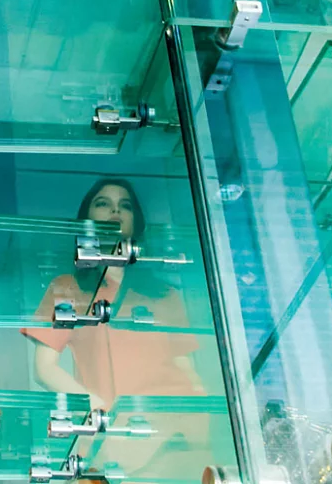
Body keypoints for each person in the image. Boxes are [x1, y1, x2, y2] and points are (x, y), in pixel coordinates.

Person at [20, 179, 210, 479]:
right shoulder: (67, 288)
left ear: (136, 222)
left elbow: (185, 367)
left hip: (174, 433)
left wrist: (202, 421)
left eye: (125, 205)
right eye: (103, 203)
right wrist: (98, 408)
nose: (115, 211)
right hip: (113, 433)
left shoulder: (164, 294)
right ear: (87, 220)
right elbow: (44, 369)